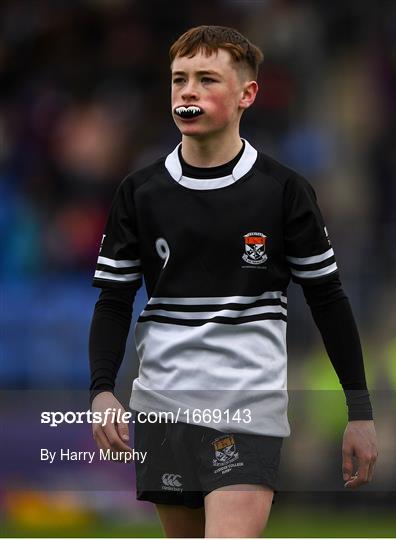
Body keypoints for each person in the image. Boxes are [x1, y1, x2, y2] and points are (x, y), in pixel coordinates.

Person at [89, 25, 378, 538]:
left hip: (247, 408)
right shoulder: (140, 192)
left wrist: (359, 411)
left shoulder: (284, 192)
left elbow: (328, 300)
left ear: (247, 94)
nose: (188, 91)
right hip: (162, 406)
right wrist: (102, 391)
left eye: (207, 79)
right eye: (179, 80)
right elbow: (114, 300)